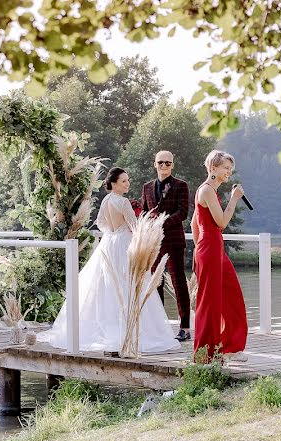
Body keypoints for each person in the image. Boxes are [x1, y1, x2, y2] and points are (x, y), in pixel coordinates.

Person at [40, 167, 180, 354]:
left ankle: (109, 328)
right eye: (124, 181)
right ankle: (130, 332)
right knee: (128, 285)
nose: (127, 183)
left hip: (109, 243)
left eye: (127, 180)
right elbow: (135, 227)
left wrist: (113, 233)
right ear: (114, 183)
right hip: (124, 246)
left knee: (106, 287)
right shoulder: (123, 203)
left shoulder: (107, 200)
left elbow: (100, 222)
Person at [191, 150, 248, 363]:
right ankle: (205, 355)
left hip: (213, 249)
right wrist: (234, 199)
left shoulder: (207, 190)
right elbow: (222, 223)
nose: (228, 173)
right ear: (213, 168)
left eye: (230, 170)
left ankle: (230, 348)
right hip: (211, 250)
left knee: (232, 296)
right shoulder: (206, 191)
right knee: (210, 303)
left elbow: (194, 224)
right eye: (225, 168)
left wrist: (200, 248)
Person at [140, 151, 192, 342]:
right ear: (155, 164)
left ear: (172, 164)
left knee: (179, 284)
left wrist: (163, 222)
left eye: (168, 163)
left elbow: (183, 212)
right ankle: (159, 327)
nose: (164, 166)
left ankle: (185, 327)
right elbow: (145, 211)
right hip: (153, 242)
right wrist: (146, 221)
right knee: (156, 284)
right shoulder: (147, 187)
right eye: (161, 162)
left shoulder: (181, 185)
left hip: (174, 241)